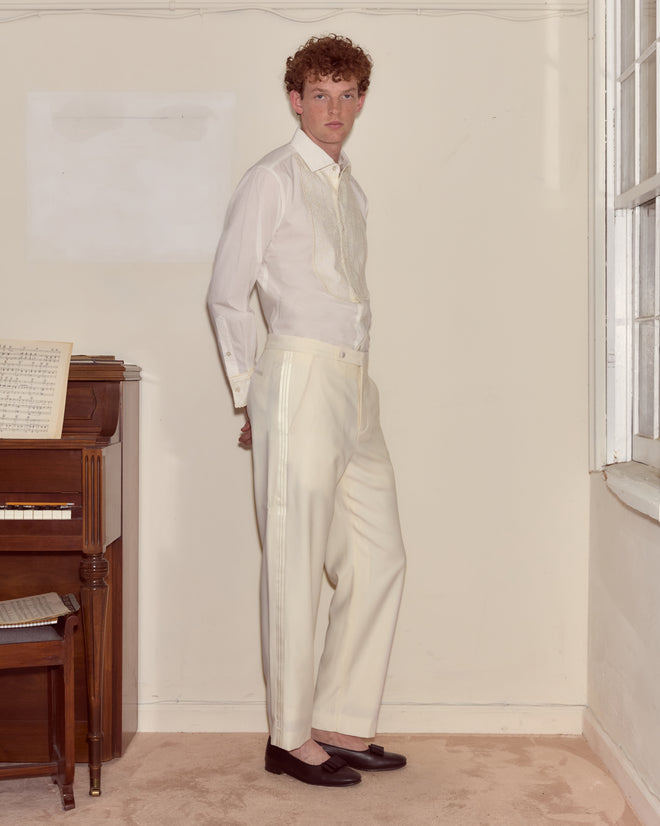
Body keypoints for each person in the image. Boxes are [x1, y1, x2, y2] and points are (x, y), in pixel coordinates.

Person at [207, 34, 407, 787]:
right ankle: (287, 739)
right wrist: (249, 391)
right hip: (295, 375)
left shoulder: (349, 188)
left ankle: (338, 720)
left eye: (348, 94)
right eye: (320, 94)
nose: (335, 109)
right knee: (294, 561)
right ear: (296, 99)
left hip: (355, 386)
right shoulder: (273, 178)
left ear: (361, 101)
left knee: (379, 555)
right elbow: (227, 292)